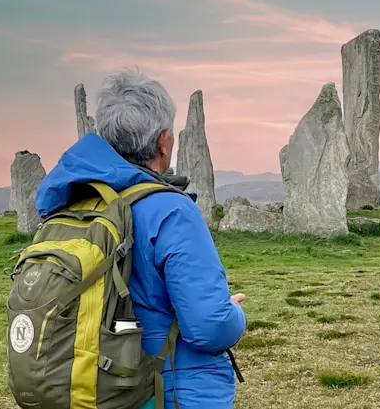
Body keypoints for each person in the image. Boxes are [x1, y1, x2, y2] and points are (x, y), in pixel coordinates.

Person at [34, 69, 247, 408]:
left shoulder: (73, 206)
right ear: (164, 141)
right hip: (167, 390)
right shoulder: (171, 211)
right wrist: (233, 314)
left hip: (93, 386)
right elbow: (208, 327)